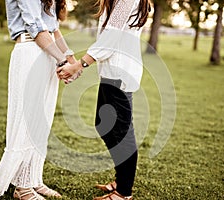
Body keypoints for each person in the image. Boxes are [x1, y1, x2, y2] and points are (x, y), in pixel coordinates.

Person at [57, 0, 150, 199]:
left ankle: (123, 192)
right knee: (103, 125)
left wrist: (80, 64)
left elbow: (111, 38)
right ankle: (121, 180)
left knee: (122, 132)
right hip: (111, 72)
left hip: (120, 73)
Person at [0, 0, 77, 199]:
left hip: (48, 53)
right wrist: (62, 60)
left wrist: (71, 60)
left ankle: (33, 179)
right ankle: (22, 188)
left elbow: (53, 29)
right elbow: (35, 27)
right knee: (26, 122)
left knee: (40, 122)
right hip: (29, 51)